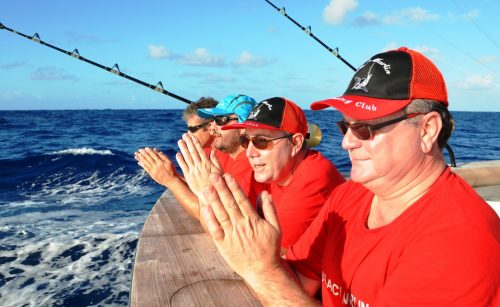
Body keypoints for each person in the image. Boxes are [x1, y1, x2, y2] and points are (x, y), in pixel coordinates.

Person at [198, 47, 500, 306]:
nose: (346, 142)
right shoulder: (349, 195)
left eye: (365, 128)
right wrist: (260, 260)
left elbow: (275, 283)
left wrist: (261, 271)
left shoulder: (458, 240)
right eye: (346, 126)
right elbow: (300, 282)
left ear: (427, 130)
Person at [221, 97, 345, 248]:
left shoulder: (313, 178)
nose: (249, 152)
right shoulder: (271, 170)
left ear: (296, 143)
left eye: (261, 141)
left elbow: (273, 253)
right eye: (245, 141)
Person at [135, 94, 258, 219]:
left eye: (221, 120)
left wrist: (171, 180)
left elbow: (218, 219)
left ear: (244, 125)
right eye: (214, 120)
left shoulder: (251, 166)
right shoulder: (224, 154)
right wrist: (170, 173)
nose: (212, 127)